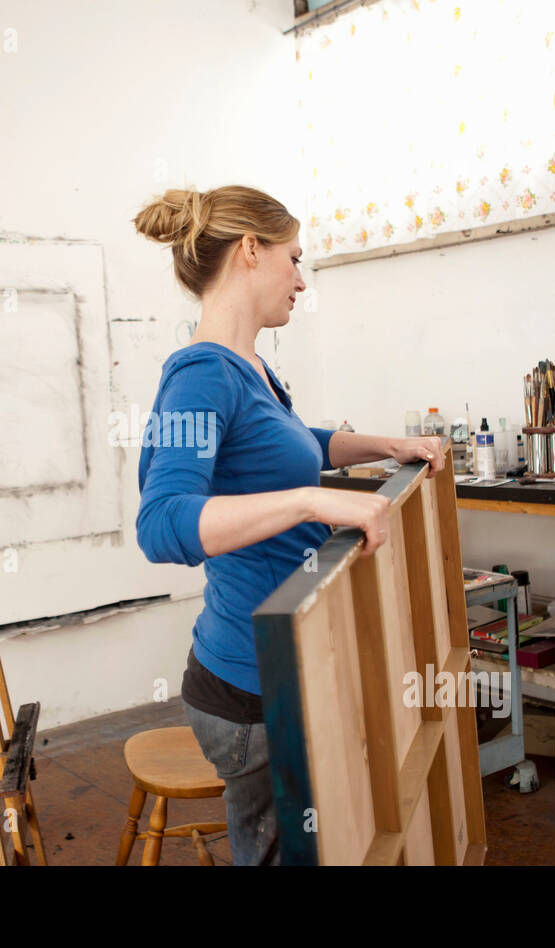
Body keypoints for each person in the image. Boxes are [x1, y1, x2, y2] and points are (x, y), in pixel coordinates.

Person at [132, 185, 445, 865]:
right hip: (247, 691)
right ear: (251, 251)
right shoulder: (198, 375)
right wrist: (312, 503)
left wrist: (387, 446)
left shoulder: (251, 368)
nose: (301, 281)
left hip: (292, 663)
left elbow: (292, 444)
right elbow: (161, 524)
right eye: (294, 259)